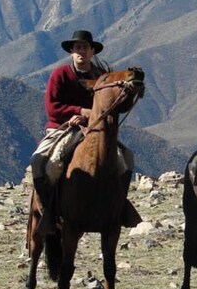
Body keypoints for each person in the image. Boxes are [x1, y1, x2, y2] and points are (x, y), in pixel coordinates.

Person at [31, 29, 139, 231]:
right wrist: (79, 111)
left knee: (126, 158)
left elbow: (115, 105)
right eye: (77, 47)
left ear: (92, 52)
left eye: (85, 47)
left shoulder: (102, 77)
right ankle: (48, 210)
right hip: (63, 128)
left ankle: (120, 206)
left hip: (95, 130)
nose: (81, 51)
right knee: (41, 161)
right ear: (71, 51)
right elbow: (52, 107)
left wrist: (130, 94)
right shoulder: (60, 75)